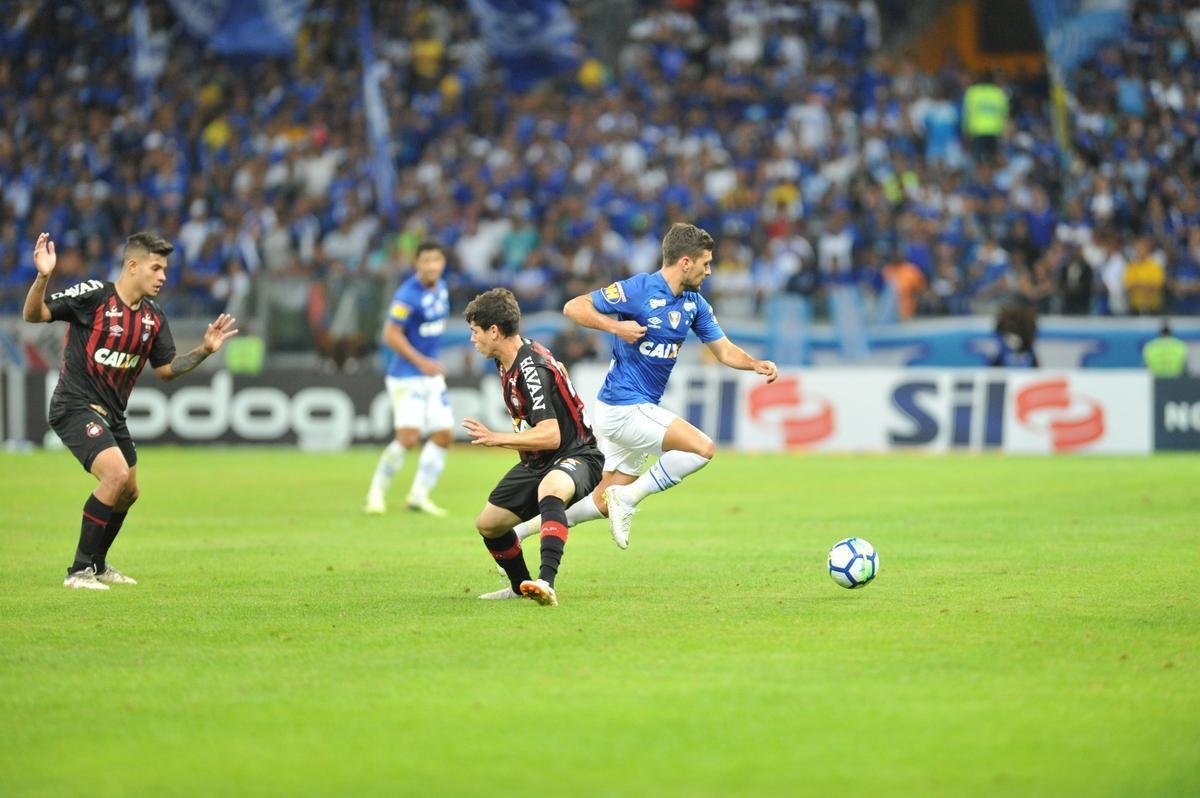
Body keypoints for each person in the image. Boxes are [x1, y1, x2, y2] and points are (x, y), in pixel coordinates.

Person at [512, 222, 777, 550]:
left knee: (601, 501)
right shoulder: (639, 289)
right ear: (685, 262)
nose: (709, 271)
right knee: (701, 449)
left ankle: (518, 533)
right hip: (622, 406)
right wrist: (616, 328)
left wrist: (754, 364)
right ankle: (628, 497)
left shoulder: (694, 304)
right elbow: (574, 307)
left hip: (638, 408)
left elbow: (723, 350)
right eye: (706, 263)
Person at [22, 232, 238, 590]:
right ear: (133, 266)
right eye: (156, 268)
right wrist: (43, 277)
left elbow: (166, 369)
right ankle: (78, 571)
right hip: (74, 406)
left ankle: (98, 564)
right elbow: (34, 315)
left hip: (112, 416)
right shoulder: (94, 295)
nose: (163, 276)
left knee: (129, 491)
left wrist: (204, 350)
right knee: (116, 475)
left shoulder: (153, 317)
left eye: (165, 269)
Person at [462, 288, 603, 607]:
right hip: (538, 461)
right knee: (488, 524)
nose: (472, 339)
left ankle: (546, 582)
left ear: (494, 331)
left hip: (577, 454)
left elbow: (551, 435)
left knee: (551, 489)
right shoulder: (507, 359)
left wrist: (496, 438)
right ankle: (519, 586)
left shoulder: (531, 370)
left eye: (475, 331)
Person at [364, 242, 452, 516]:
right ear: (417, 263)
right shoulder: (407, 295)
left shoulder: (442, 288)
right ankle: (375, 494)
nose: (431, 266)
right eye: (426, 260)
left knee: (443, 434)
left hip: (430, 374)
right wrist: (422, 361)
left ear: (443, 263)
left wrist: (429, 363)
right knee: (409, 437)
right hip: (407, 375)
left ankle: (418, 496)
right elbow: (390, 334)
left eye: (436, 260)